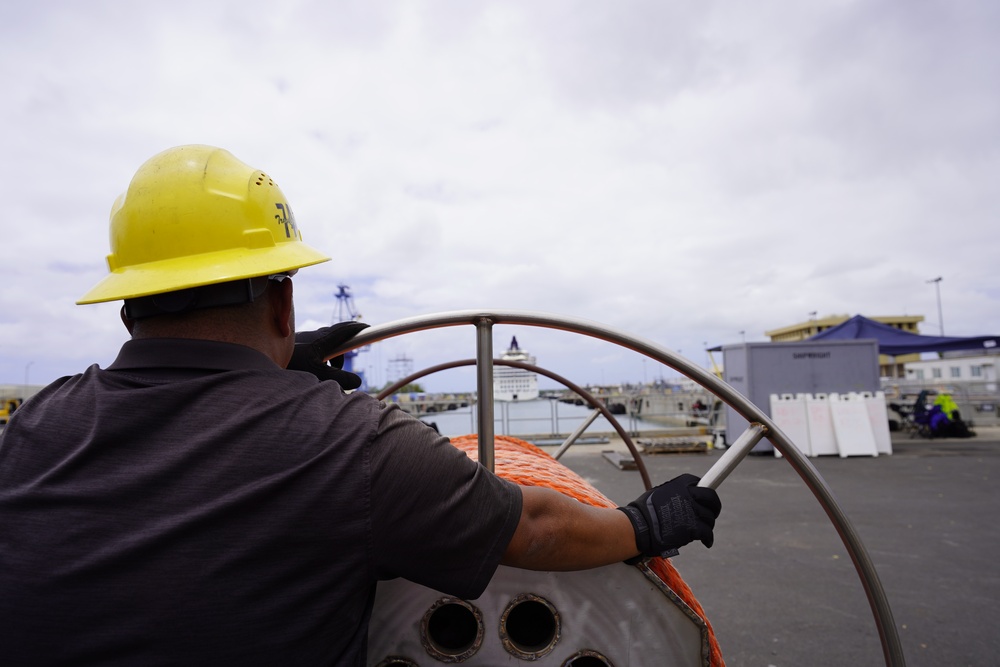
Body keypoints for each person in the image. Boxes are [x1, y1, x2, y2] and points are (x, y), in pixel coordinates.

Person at [0, 145, 721, 666]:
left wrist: (279, 358)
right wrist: (645, 523)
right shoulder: (349, 443)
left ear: (127, 308)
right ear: (283, 299)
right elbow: (531, 527)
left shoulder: (34, 426)